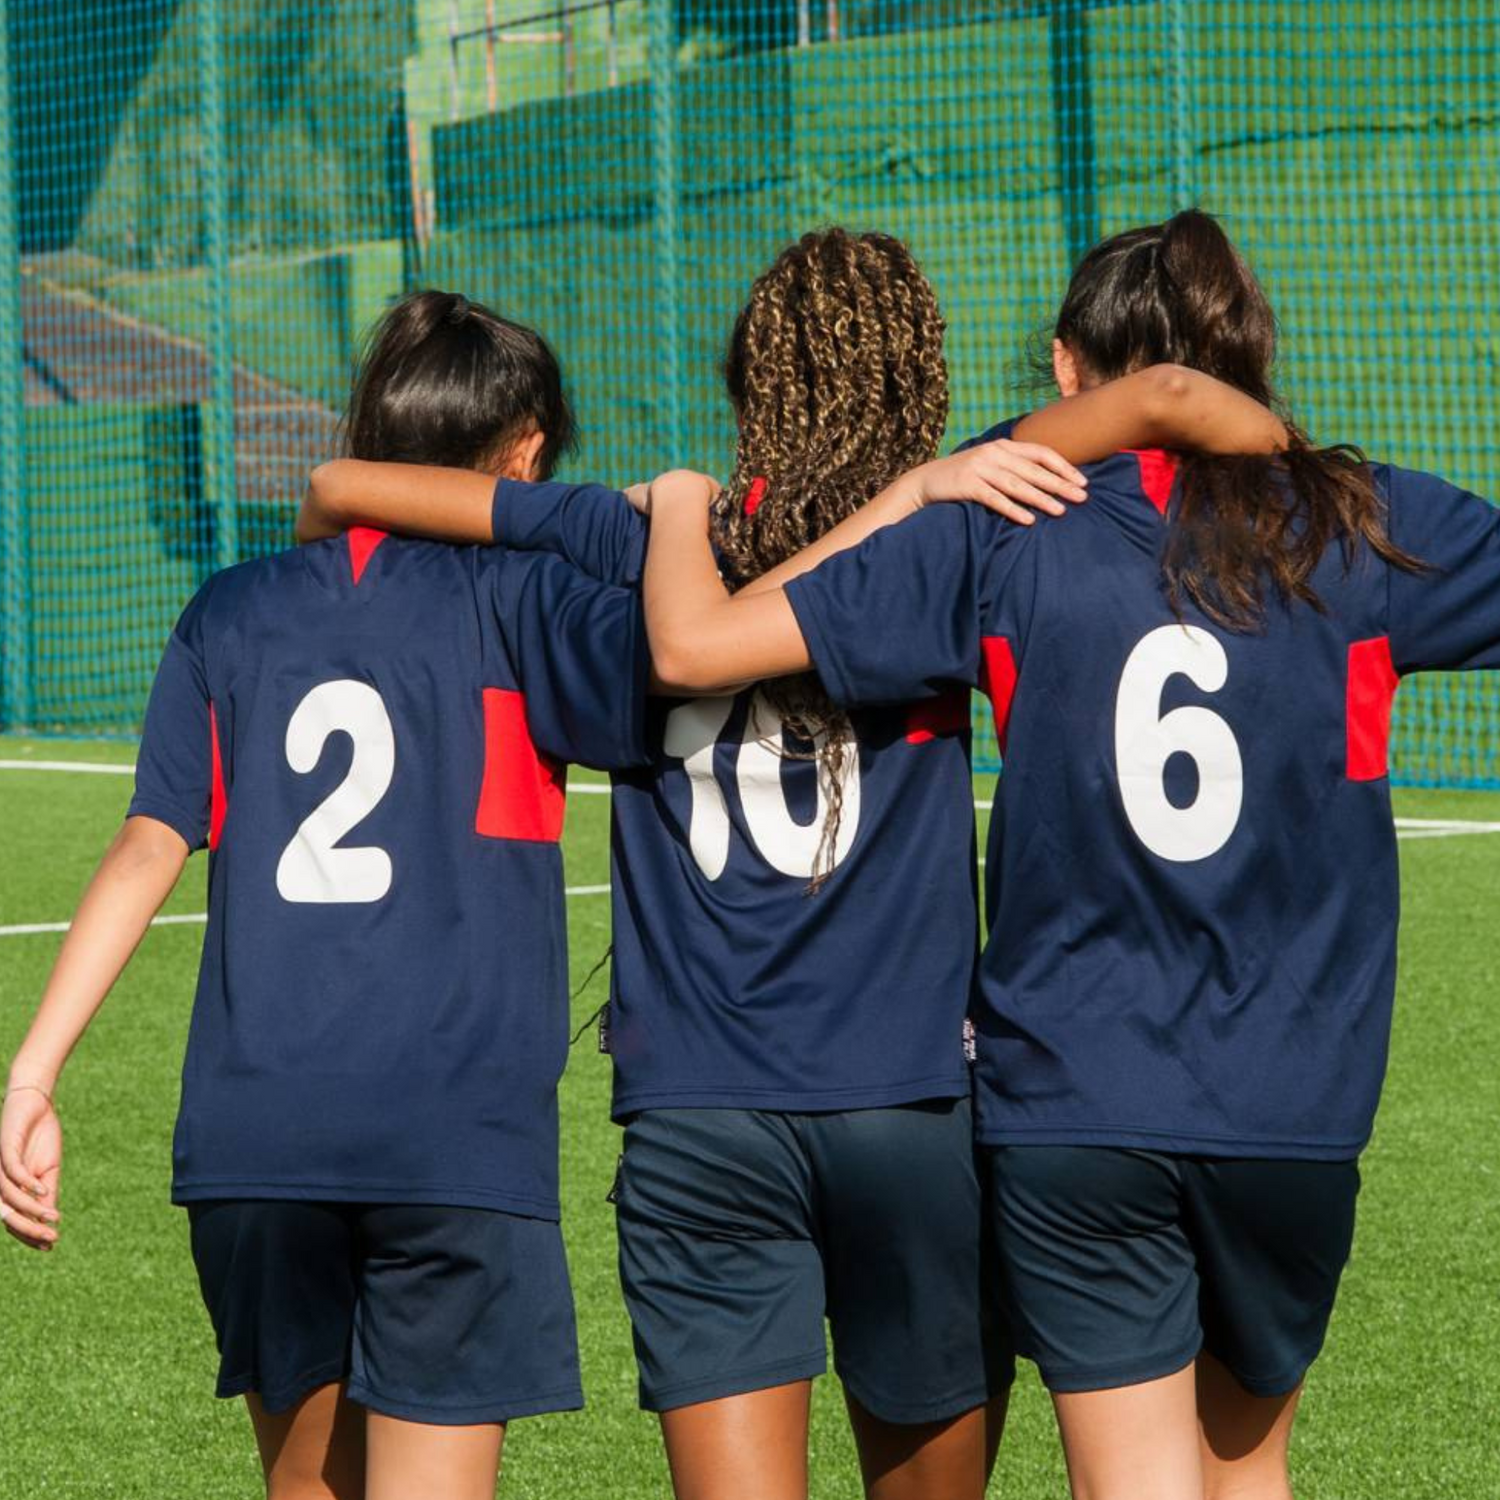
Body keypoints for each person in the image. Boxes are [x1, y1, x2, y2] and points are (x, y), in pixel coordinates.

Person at [297, 227, 1287, 1500]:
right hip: (909, 1106)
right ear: (917, 383)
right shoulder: (960, 528)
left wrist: (641, 500)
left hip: (697, 1116)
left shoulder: (640, 538)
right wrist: (1280, 461)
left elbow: (369, 488)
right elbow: (1162, 398)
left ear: (747, 379)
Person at [635, 209, 1500, 1500]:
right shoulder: (1360, 518)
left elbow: (704, 647)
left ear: (1062, 366)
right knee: (1248, 1470)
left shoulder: (1001, 512)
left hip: (1072, 1095)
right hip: (1293, 1103)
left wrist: (932, 478)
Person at [0, 290, 649, 1500]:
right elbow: (683, 632)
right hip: (451, 1141)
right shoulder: (527, 604)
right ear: (523, 459)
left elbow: (147, 844)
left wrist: (32, 1076)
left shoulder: (229, 611)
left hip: (259, 1141)